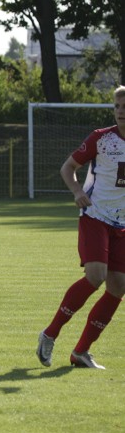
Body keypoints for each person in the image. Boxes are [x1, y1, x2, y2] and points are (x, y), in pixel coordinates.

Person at [36, 85, 125, 370]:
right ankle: (50, 333)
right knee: (96, 275)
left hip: (122, 223)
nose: (121, 112)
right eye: (118, 107)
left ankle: (81, 352)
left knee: (119, 285)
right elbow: (67, 167)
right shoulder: (101, 138)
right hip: (95, 216)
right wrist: (77, 192)